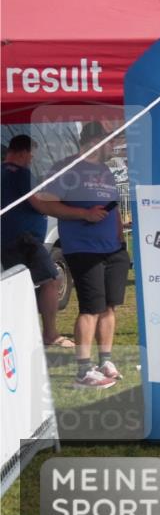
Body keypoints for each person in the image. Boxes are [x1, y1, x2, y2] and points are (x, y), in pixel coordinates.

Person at [36, 122, 128, 389]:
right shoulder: (67, 168)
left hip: (113, 249)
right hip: (84, 249)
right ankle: (83, 370)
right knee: (90, 308)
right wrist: (84, 214)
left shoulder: (106, 171)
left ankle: (106, 360)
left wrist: (120, 240)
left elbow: (113, 210)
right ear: (94, 142)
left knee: (110, 306)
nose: (113, 147)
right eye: (109, 142)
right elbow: (45, 201)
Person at [1, 135, 74, 351]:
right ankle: (50, 334)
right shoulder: (21, 174)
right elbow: (40, 204)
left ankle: (21, 332)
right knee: (52, 279)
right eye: (30, 155)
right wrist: (72, 211)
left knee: (21, 286)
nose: (31, 160)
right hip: (24, 240)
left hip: (10, 239)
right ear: (22, 153)